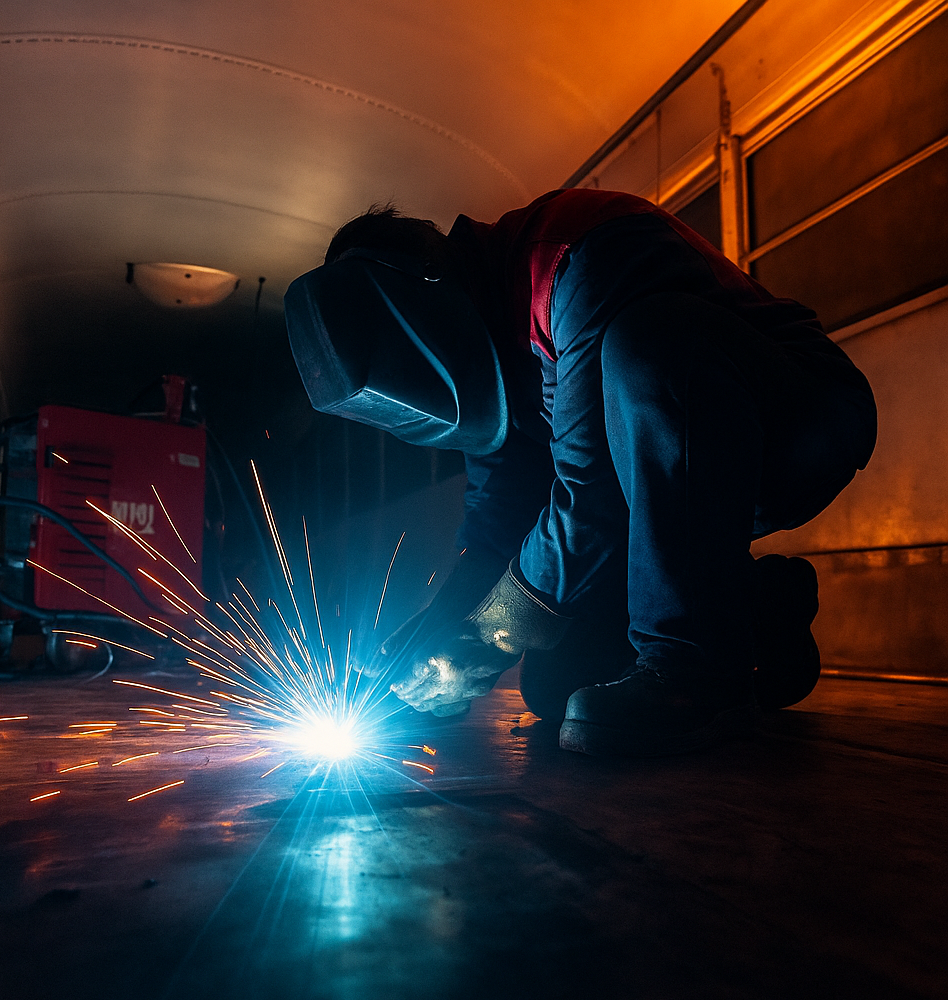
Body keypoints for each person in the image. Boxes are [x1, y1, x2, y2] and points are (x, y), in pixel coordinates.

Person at [283, 189, 877, 756]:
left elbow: (591, 493)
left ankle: (696, 669)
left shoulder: (572, 252)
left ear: (428, 289)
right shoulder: (485, 345)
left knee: (648, 344)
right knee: (557, 683)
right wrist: (433, 631)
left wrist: (484, 638)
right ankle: (761, 612)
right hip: (665, 478)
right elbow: (497, 519)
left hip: (798, 426)